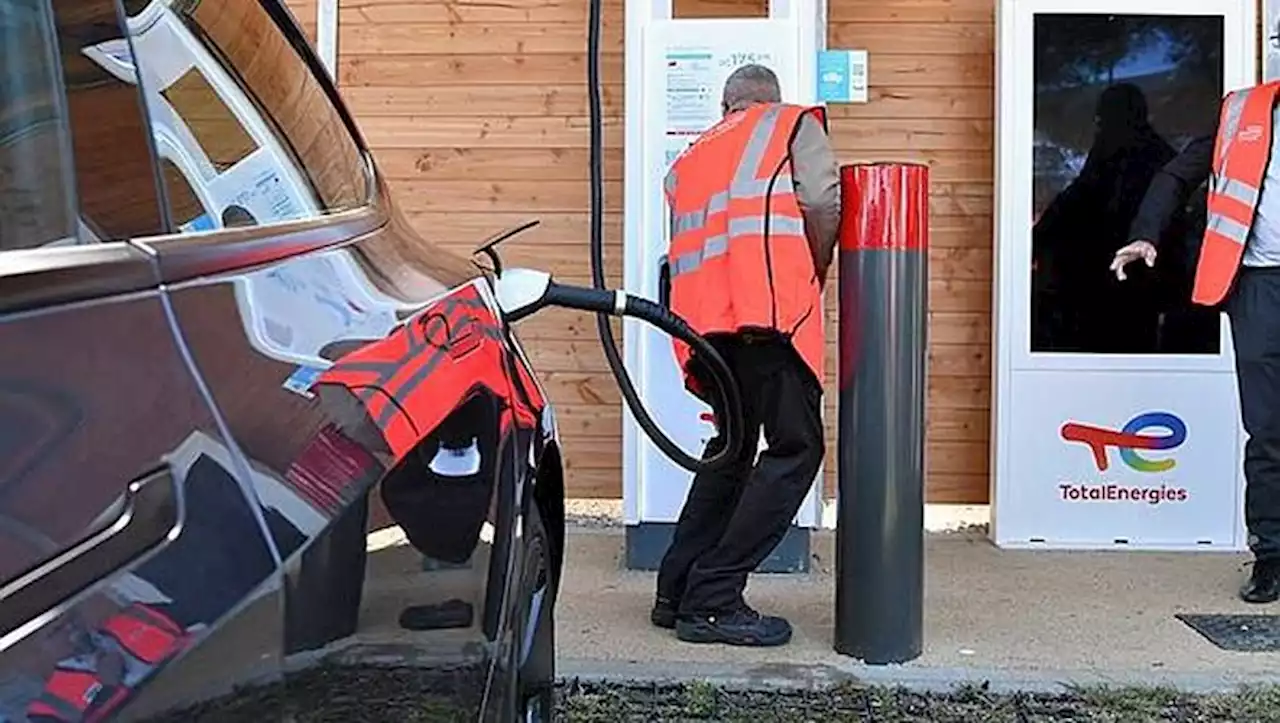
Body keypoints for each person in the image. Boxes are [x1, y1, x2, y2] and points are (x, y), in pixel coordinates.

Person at [651, 64, 840, 647]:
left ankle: (677, 591)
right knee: (796, 448)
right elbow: (821, 198)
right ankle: (714, 598)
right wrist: (815, 269)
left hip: (705, 331)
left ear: (726, 105)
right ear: (767, 100)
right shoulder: (790, 124)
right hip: (767, 319)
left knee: (730, 453)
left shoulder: (690, 160)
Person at [1111, 81, 1280, 603]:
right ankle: (1272, 556)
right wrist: (1146, 232)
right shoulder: (1243, 112)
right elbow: (1178, 173)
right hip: (1258, 284)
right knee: (1268, 428)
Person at [1032, 83, 1175, 354]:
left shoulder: (1145, 155)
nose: (1099, 123)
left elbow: (1082, 196)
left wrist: (1039, 237)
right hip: (1104, 272)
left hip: (1129, 272)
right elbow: (1079, 194)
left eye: (1104, 116)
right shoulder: (1119, 149)